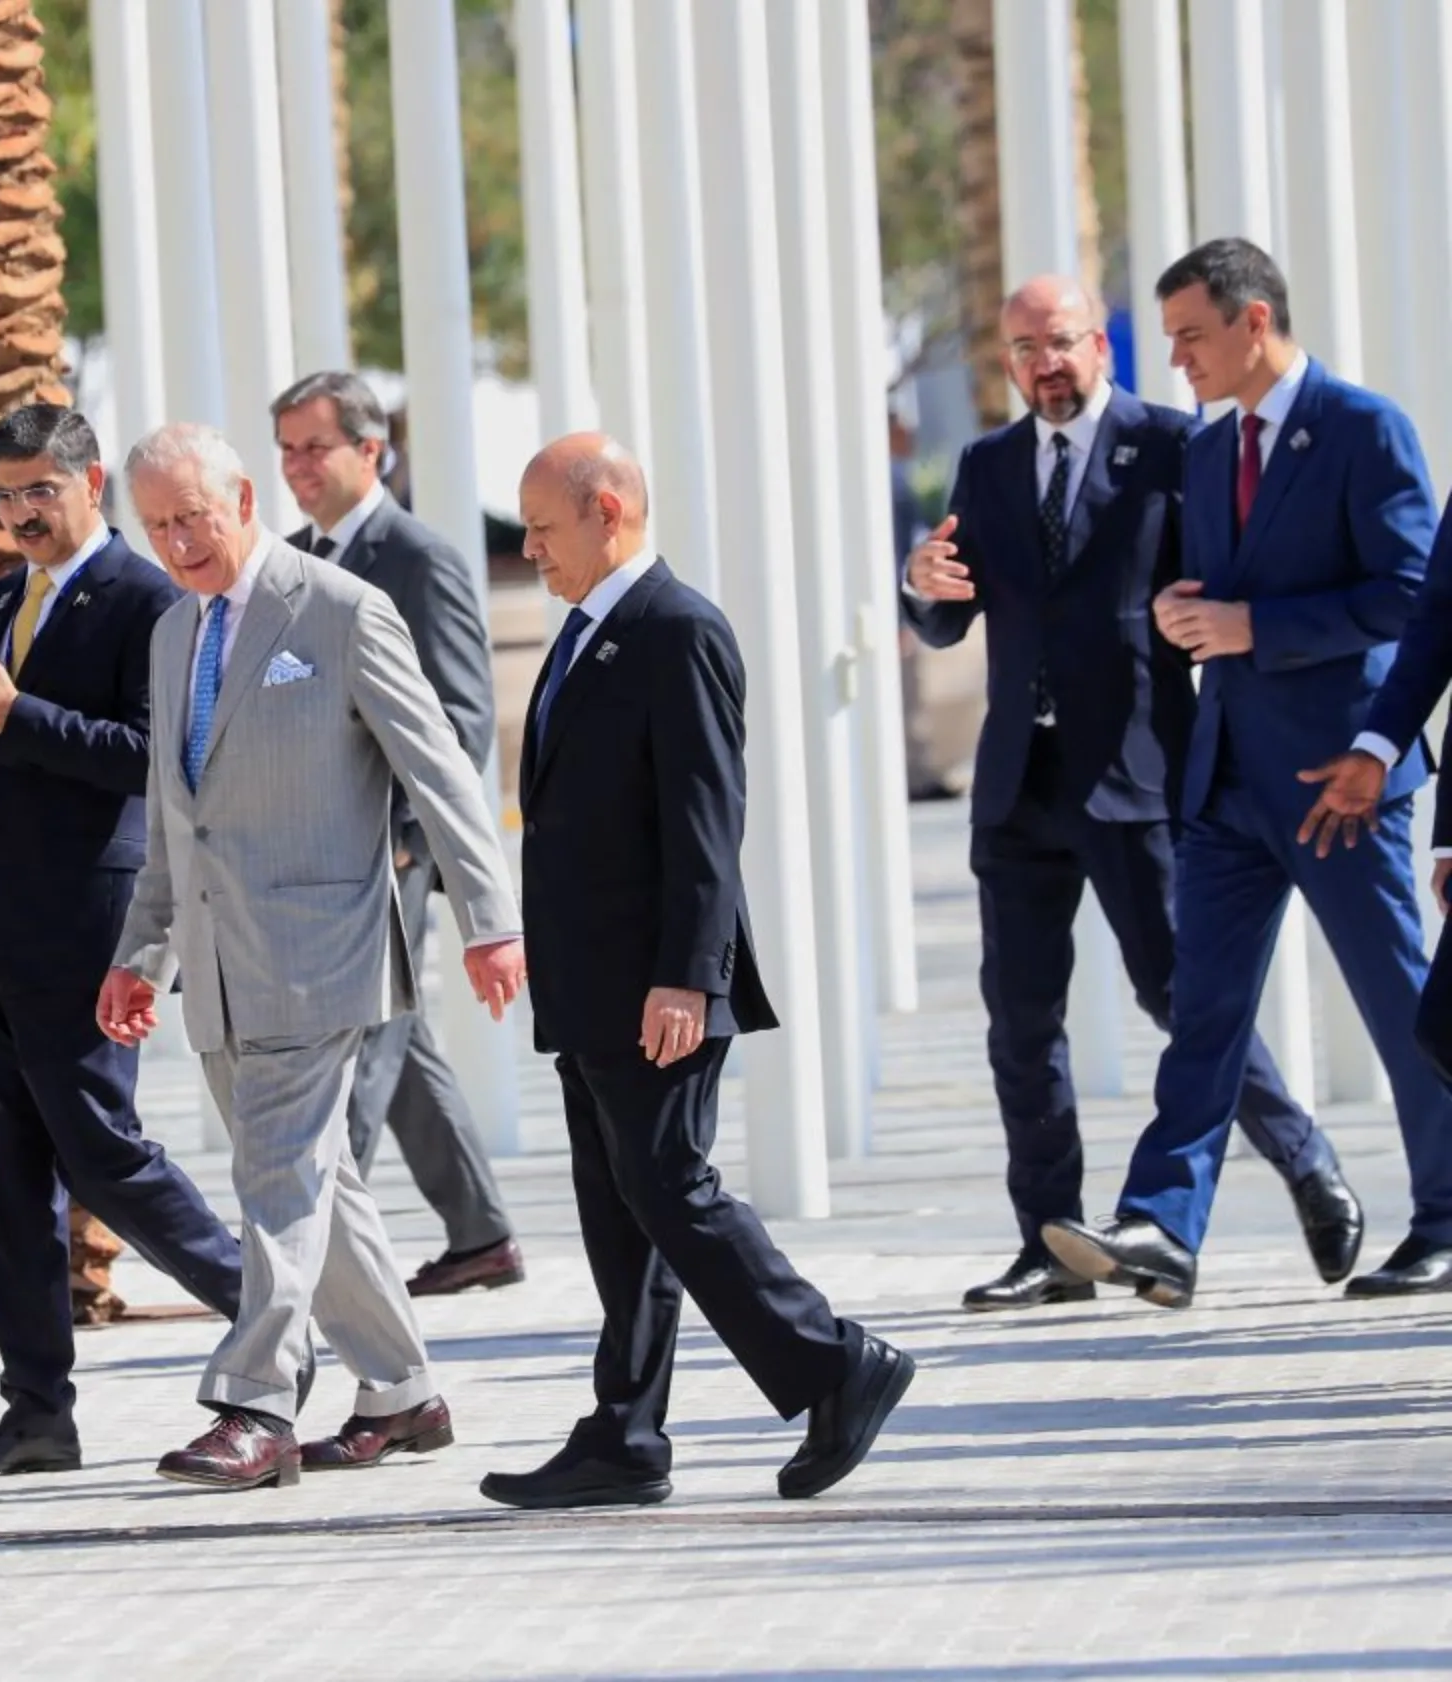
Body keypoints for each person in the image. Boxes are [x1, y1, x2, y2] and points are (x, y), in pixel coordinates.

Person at [902, 279, 1356, 1312]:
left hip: (1141, 772)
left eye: (1059, 342)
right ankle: (1050, 1246)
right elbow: (948, 618)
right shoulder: (988, 463)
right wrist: (923, 583)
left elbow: (1235, 577)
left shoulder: (1173, 447)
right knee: (1020, 1019)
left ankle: (1306, 1159)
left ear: (1099, 346)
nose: (1043, 363)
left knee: (1179, 994)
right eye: (1024, 349)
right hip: (1019, 783)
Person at [481, 434, 913, 1511]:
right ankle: (625, 1432)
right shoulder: (588, 633)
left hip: (654, 985)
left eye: (544, 524)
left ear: (609, 509)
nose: (529, 546)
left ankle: (834, 1359)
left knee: (672, 1187)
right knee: (621, 1208)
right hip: (591, 983)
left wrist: (687, 974)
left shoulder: (677, 628)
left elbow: (707, 818)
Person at [97, 423, 525, 1491]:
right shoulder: (172, 632)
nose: (178, 542)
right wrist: (140, 950)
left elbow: (441, 770)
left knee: (274, 1178)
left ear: (243, 497)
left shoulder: (338, 609)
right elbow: (173, 818)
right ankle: (400, 1389)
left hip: (321, 949)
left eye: (192, 516)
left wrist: (489, 915)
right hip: (219, 961)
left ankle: (254, 1401)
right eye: (155, 526)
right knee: (315, 1180)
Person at [0, 403, 250, 1478]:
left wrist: (15, 716)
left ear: (91, 482)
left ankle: (275, 1309)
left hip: (88, 928)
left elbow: (157, 756)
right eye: (3, 495)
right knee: (14, 1179)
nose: (20, 513)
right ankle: (36, 1413)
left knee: (105, 1154)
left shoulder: (146, 599)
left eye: (38, 492)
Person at [1045, 239, 1452, 1305]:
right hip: (1227, 783)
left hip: (1338, 781)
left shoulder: (1366, 429)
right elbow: (1220, 598)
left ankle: (1449, 1213)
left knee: (1401, 1002)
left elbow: (1413, 596)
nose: (1174, 357)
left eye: (1189, 334)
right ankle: (1164, 1226)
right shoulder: (1212, 450)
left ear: (1254, 320)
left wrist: (1249, 624)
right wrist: (1195, 616)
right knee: (1205, 1005)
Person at [271, 370, 523, 1296]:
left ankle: (314, 1269)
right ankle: (481, 1233)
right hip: (314, 854)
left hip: (394, 852)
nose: (296, 466)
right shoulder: (291, 559)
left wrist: (413, 835)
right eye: (287, 449)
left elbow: (461, 718)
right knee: (398, 1044)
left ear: (370, 451)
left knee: (360, 1058)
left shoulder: (420, 557)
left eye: (313, 447)